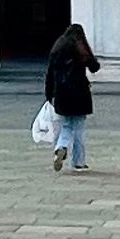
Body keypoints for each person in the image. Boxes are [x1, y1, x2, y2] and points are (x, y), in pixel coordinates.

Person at [44, 23, 100, 173]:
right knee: (79, 128)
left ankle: (60, 147)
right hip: (79, 93)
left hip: (62, 93)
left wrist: (49, 93)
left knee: (67, 124)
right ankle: (79, 162)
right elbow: (95, 67)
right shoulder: (80, 47)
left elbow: (50, 73)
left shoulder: (57, 47)